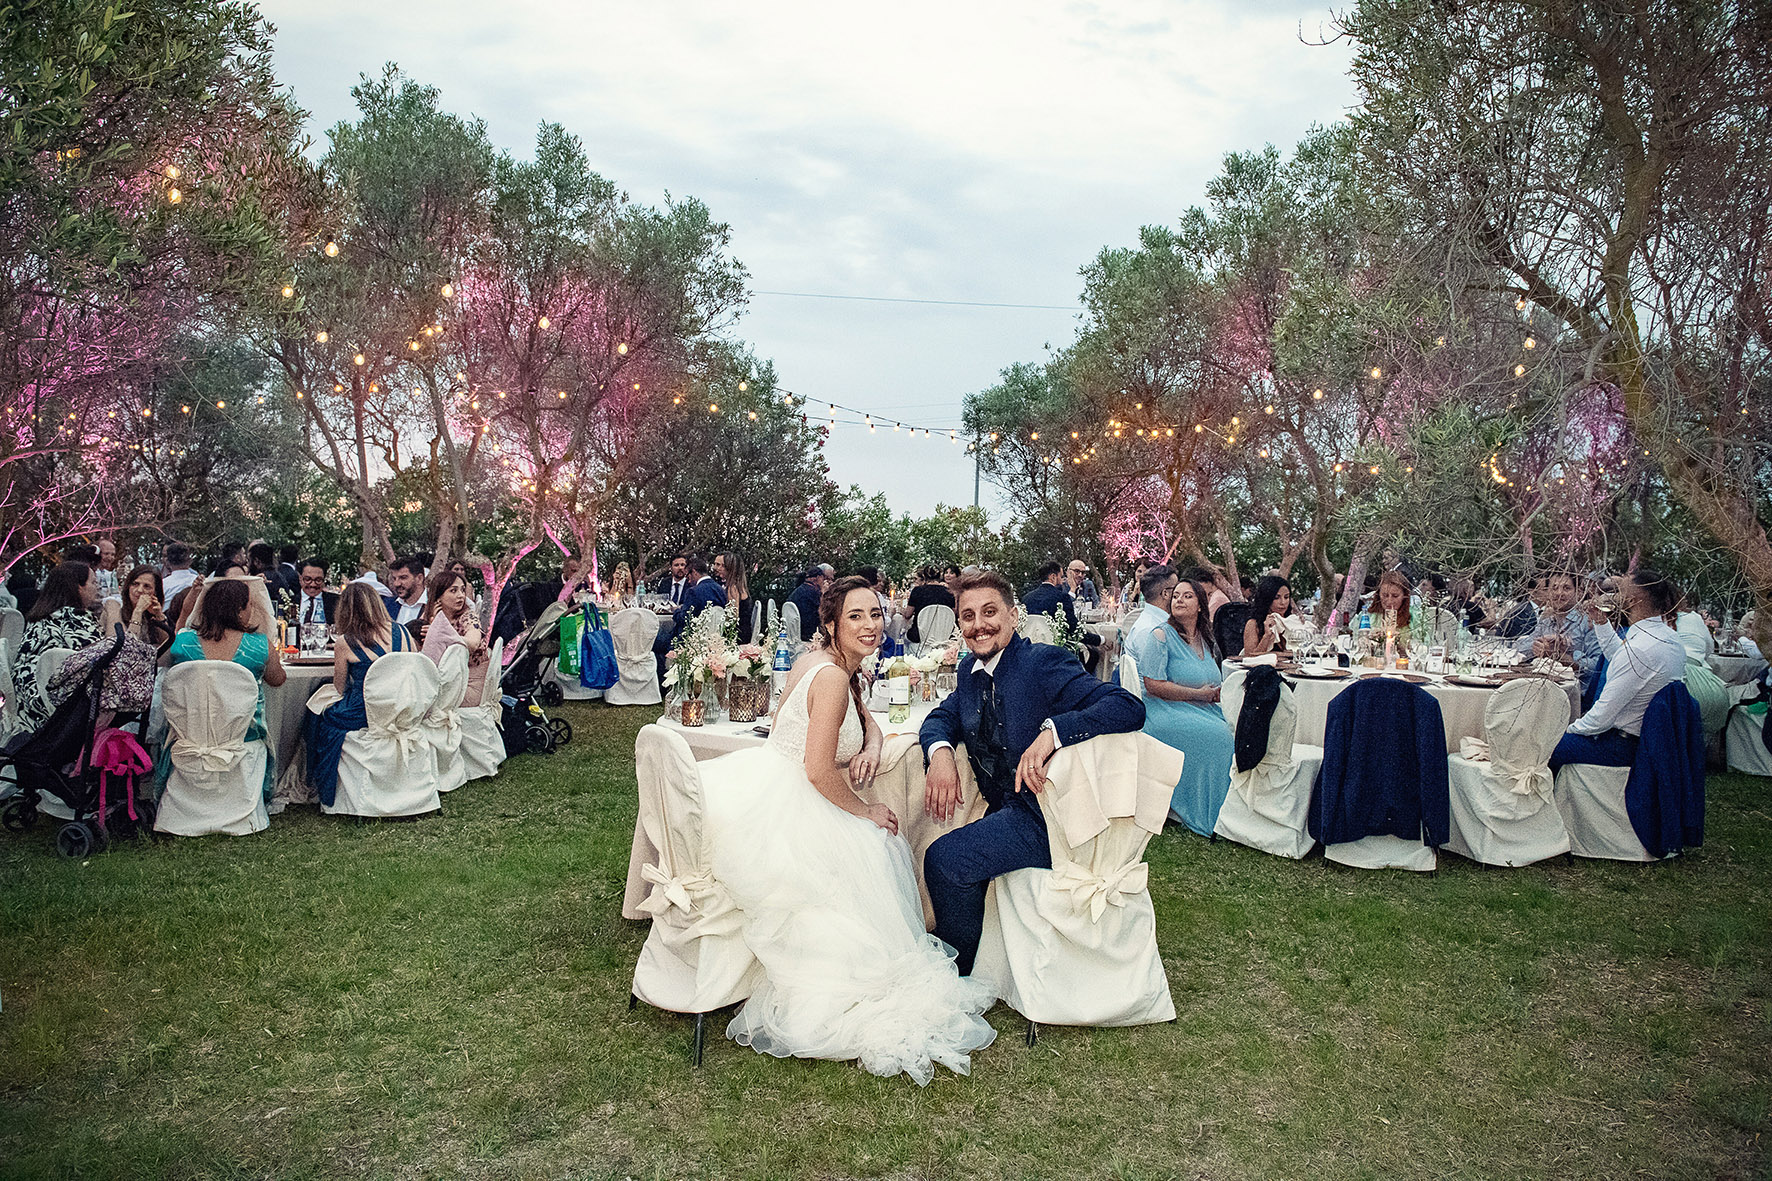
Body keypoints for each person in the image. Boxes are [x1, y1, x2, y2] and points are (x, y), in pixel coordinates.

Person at [701, 576, 996, 1083]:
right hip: (793, 799)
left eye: (876, 614)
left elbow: (866, 721)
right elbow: (817, 771)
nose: (870, 625)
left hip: (773, 781)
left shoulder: (830, 667)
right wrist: (863, 812)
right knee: (880, 839)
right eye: (855, 616)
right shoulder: (834, 677)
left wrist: (872, 748)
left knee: (879, 838)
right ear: (832, 623)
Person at [919, 569, 1145, 975]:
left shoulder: (1042, 662)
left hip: (1049, 817)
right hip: (1010, 809)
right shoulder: (971, 672)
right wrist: (939, 753)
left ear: (1012, 617)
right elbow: (941, 716)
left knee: (943, 859)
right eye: (967, 617)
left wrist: (1053, 733)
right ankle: (977, 949)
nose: (979, 624)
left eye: (990, 612)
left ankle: (958, 972)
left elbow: (1127, 706)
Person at [1549, 568, 1688, 772]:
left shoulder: (1639, 648)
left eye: (1618, 591)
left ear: (1632, 601)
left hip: (1621, 746)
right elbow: (1620, 658)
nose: (1609, 596)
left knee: (1539, 747)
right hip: (1651, 740)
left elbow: (1601, 719)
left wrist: (1567, 731)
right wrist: (1601, 623)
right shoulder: (1667, 637)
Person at [160, 578, 286, 799]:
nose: (252, 609)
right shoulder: (259, 646)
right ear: (239, 609)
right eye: (249, 605)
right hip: (242, 735)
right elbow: (277, 679)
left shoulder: (184, 642)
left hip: (192, 732)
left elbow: (164, 660)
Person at [1130, 575, 1233, 835]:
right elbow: (1153, 685)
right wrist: (1198, 694)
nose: (1179, 600)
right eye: (1175, 595)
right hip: (1161, 709)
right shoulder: (1160, 636)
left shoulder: (1205, 638)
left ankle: (1234, 809)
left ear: (1200, 605)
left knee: (1235, 727)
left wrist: (1210, 695)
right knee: (1220, 736)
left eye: (1187, 596)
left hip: (1199, 706)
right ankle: (1206, 813)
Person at [305, 582, 411, 806]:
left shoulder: (346, 642)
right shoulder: (403, 631)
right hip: (402, 706)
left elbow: (339, 687)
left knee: (318, 715)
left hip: (365, 712)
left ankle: (314, 779)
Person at [15, 561, 102, 733]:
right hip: (55, 717)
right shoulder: (75, 618)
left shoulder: (39, 618)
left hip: (25, 711)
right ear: (79, 587)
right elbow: (104, 659)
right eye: (93, 582)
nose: (97, 587)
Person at [1515, 571, 1603, 693]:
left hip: (1574, 695)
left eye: (1566, 588)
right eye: (1554, 588)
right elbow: (1518, 650)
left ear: (1578, 592)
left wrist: (1568, 657)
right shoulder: (1546, 622)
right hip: (1538, 690)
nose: (1559, 593)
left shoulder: (1588, 623)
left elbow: (1597, 666)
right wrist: (1539, 644)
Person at [421, 570, 491, 707]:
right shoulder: (428, 615)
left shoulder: (468, 617)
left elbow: (473, 642)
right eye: (453, 591)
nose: (461, 595)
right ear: (438, 596)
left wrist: (441, 633)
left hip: (470, 684)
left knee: (426, 700)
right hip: (444, 681)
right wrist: (435, 622)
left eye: (463, 590)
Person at [1022, 561, 1102, 671]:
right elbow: (1074, 631)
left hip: (1030, 648)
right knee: (1093, 654)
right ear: (1053, 577)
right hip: (1055, 649)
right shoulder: (1061, 597)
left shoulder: (1026, 598)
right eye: (1061, 576)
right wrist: (1100, 640)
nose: (1062, 579)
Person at [1125, 565, 1177, 662]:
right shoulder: (1149, 630)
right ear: (1165, 593)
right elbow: (1156, 674)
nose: (1179, 594)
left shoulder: (1158, 622)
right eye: (1176, 588)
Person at [117, 565, 171, 646]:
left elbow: (166, 645)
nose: (139, 590)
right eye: (135, 584)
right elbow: (127, 648)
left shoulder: (152, 614)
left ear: (155, 592)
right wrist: (138, 611)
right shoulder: (117, 612)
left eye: (147, 586)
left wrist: (159, 616)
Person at [1243, 575, 1295, 656]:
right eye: (1276, 598)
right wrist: (1267, 636)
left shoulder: (1289, 621)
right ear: (1267, 599)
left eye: (1286, 597)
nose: (1283, 602)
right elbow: (1249, 657)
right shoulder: (1253, 624)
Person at [902, 565, 956, 644]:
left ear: (924, 576)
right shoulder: (949, 592)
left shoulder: (917, 591)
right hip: (944, 635)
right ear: (940, 576)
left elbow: (907, 615)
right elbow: (952, 615)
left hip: (919, 636)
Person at [712, 551, 756, 644]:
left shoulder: (733, 588)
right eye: (716, 564)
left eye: (722, 566)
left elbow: (733, 616)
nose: (718, 568)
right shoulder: (738, 585)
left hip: (739, 636)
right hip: (744, 630)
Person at [294, 560, 339, 633]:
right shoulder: (290, 601)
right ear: (300, 579)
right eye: (308, 579)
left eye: (318, 580)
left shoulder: (337, 602)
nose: (313, 584)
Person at [785, 565, 828, 642]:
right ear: (818, 577)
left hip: (795, 632)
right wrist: (823, 593)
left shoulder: (800, 590)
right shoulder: (812, 592)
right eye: (823, 578)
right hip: (809, 634)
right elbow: (823, 611)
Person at [1672, 594, 1716, 664]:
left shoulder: (1661, 619)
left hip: (1672, 664)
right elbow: (1709, 646)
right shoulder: (1694, 617)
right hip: (1694, 662)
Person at [388, 556, 428, 629]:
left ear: (419, 578)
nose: (396, 584)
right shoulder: (387, 605)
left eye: (403, 578)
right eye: (394, 578)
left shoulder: (434, 606)